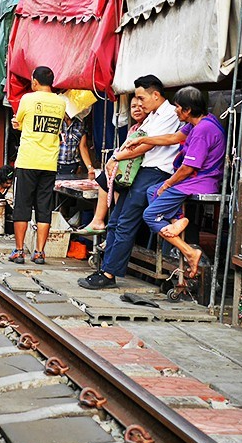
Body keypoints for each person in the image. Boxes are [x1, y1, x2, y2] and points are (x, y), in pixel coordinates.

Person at [79, 75, 181, 289]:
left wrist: (116, 158)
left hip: (157, 171)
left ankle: (109, 274)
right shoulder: (153, 116)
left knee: (126, 221)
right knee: (115, 219)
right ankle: (106, 267)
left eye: (142, 98)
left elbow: (146, 145)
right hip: (143, 171)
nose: (139, 103)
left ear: (156, 95)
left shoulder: (169, 114)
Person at [129, 86, 226, 278]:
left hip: (200, 181)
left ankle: (190, 252)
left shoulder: (203, 130)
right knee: (151, 191)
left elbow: (187, 168)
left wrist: (167, 184)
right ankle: (176, 220)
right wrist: (143, 140)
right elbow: (173, 138)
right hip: (194, 179)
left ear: (187, 110)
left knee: (150, 215)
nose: (175, 110)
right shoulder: (198, 123)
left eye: (178, 107)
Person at [9, 66, 67, 265]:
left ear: (34, 81)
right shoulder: (61, 103)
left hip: (27, 160)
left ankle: (18, 251)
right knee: (44, 208)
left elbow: (19, 122)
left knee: (22, 206)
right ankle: (40, 252)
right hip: (49, 162)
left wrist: (17, 124)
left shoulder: (28, 99)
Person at [79, 97, 147, 232]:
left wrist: (115, 159)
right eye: (133, 107)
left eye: (140, 106)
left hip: (141, 171)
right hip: (129, 169)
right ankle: (102, 223)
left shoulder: (147, 128)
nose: (137, 109)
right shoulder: (133, 128)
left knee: (110, 181)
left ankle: (101, 222)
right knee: (108, 179)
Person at [57, 103, 96, 178]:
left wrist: (90, 167)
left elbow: (83, 146)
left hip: (72, 166)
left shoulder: (80, 123)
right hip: (55, 164)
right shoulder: (56, 121)